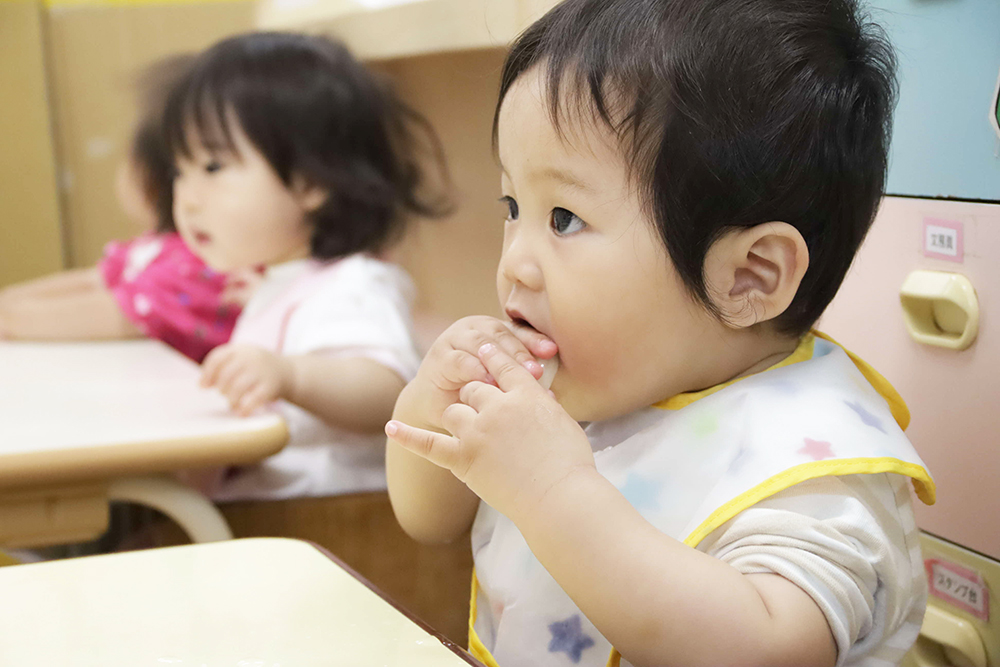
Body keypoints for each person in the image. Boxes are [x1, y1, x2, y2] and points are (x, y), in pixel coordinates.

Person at [384, 1, 935, 666]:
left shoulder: (813, 465)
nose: (513, 264)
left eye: (563, 217)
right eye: (512, 207)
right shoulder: (596, 376)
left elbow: (764, 648)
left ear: (748, 276)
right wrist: (433, 406)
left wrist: (554, 491)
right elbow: (427, 519)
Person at [165, 31, 451, 500]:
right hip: (269, 513)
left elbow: (386, 390)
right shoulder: (286, 281)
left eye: (213, 168)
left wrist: (290, 375)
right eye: (180, 171)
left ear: (310, 181)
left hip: (324, 522)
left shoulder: (354, 285)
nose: (187, 199)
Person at [0, 56, 243, 363]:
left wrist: (11, 318)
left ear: (149, 180)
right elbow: (93, 280)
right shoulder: (153, 248)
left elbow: (113, 314)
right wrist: (8, 301)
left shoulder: (200, 267)